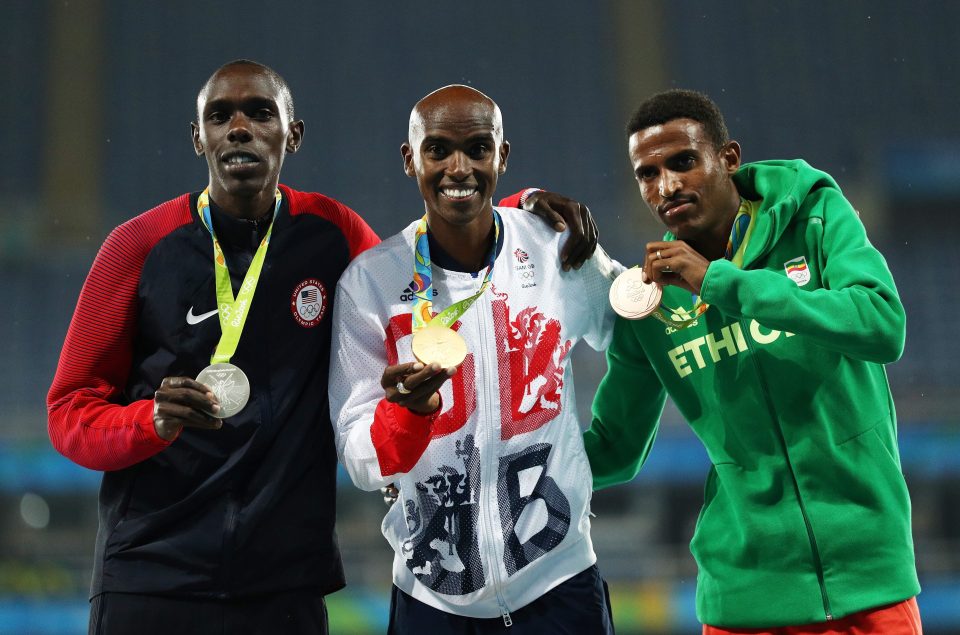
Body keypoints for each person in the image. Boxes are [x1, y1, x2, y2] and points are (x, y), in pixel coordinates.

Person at [46, 60, 598, 635]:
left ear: (293, 134)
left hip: (284, 581)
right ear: (198, 138)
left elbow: (426, 262)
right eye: (220, 116)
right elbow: (68, 410)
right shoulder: (136, 246)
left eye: (260, 113)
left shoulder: (333, 236)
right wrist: (147, 423)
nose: (240, 128)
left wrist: (516, 213)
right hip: (150, 573)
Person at [582, 89, 922, 634]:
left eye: (684, 162)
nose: (666, 186)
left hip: (869, 583)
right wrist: (502, 462)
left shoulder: (812, 215)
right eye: (647, 174)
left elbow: (882, 326)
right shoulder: (648, 302)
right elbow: (615, 450)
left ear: (729, 158)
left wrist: (720, 282)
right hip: (743, 599)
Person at [329, 85, 620, 634]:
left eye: (478, 149)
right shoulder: (371, 283)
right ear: (409, 158)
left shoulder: (557, 249)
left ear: (502, 156)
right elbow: (361, 462)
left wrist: (616, 444)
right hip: (430, 599)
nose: (458, 167)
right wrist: (405, 415)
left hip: (559, 583)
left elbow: (636, 328)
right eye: (437, 150)